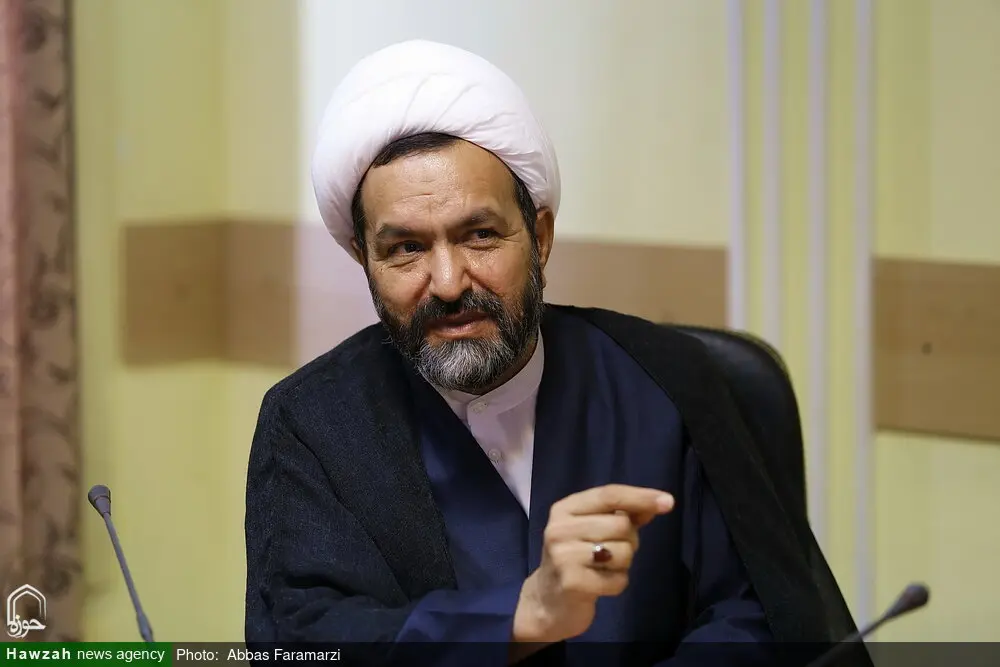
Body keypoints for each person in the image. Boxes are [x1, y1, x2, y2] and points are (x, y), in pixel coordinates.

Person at [244, 40, 868, 667]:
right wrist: (517, 620)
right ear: (365, 261)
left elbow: (756, 614)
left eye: (480, 235)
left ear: (539, 238)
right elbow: (303, 640)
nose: (449, 283)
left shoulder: (668, 381)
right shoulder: (311, 424)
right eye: (406, 248)